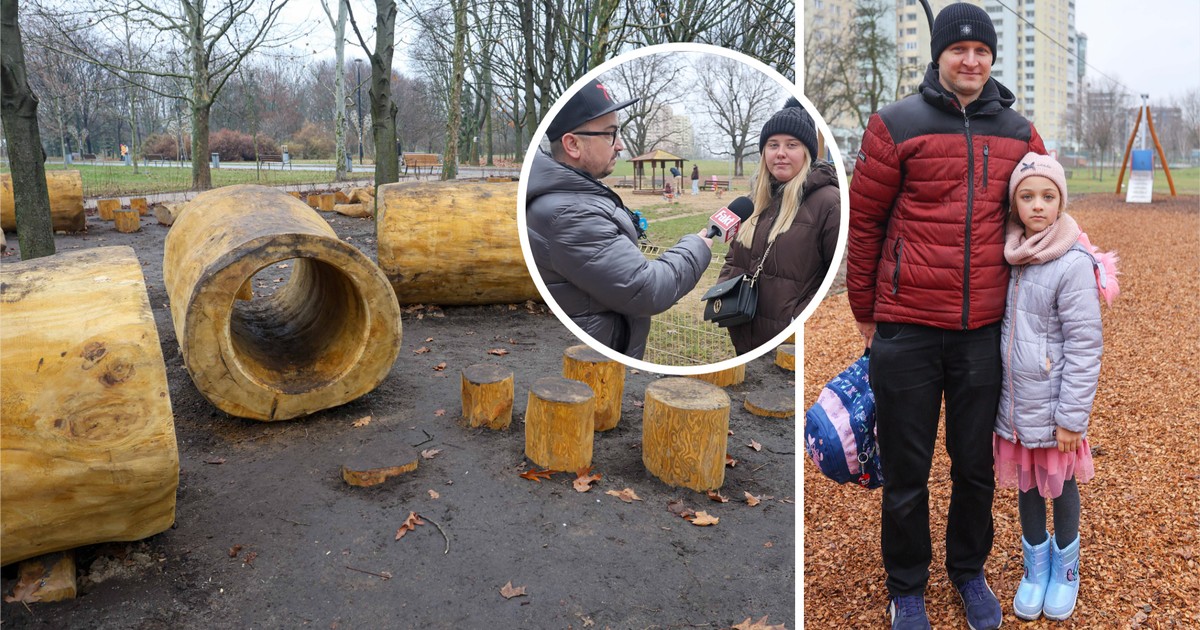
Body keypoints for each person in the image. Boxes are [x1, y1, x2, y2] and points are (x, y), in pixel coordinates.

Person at [845, 4, 1047, 629]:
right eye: (958, 49)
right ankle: (907, 587)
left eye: (981, 51)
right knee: (906, 470)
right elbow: (866, 224)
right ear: (937, 55)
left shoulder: (1018, 132)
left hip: (983, 331)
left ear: (991, 58)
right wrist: (865, 311)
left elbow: (1050, 206)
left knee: (975, 466)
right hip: (906, 326)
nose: (970, 60)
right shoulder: (895, 124)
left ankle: (968, 572)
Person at [995, 153, 1116, 622]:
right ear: (1014, 204)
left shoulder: (1070, 261)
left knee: (1062, 486)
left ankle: (1067, 569)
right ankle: (1035, 568)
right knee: (1027, 487)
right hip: (1017, 408)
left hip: (1056, 410)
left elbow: (1086, 347)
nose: (1038, 206)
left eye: (1048, 197)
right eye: (1027, 197)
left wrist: (1072, 418)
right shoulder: (1011, 253)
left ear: (1061, 201)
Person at [526, 79, 713, 360]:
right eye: (610, 134)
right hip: (595, 368)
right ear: (573, 144)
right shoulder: (571, 215)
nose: (620, 146)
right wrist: (697, 247)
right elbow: (646, 288)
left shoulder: (570, 196)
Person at [716, 98, 839, 355]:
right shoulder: (754, 201)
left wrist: (797, 321)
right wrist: (723, 293)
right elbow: (733, 257)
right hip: (743, 334)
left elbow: (834, 275)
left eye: (791, 145)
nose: (780, 153)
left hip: (790, 347)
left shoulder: (828, 202)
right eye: (773, 145)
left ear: (806, 152)